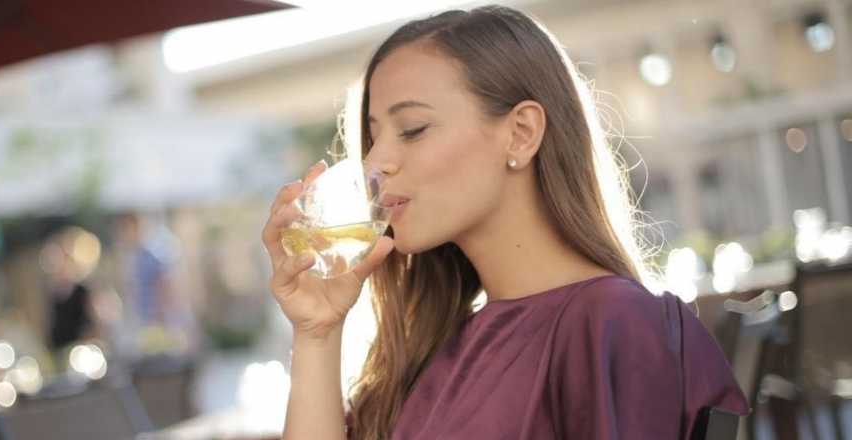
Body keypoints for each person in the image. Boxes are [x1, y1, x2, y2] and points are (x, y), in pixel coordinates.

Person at [261, 5, 748, 440]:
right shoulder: (436, 348)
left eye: (412, 129)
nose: (376, 162)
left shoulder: (611, 323)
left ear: (521, 133)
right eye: (374, 138)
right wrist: (317, 334)